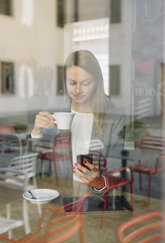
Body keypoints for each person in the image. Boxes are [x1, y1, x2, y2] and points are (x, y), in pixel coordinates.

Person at [31, 50, 126, 192]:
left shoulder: (114, 118)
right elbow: (35, 168)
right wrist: (36, 133)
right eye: (72, 82)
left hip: (95, 202)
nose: (77, 90)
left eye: (86, 83)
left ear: (97, 82)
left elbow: (118, 171)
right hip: (59, 196)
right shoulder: (55, 114)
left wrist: (100, 182)